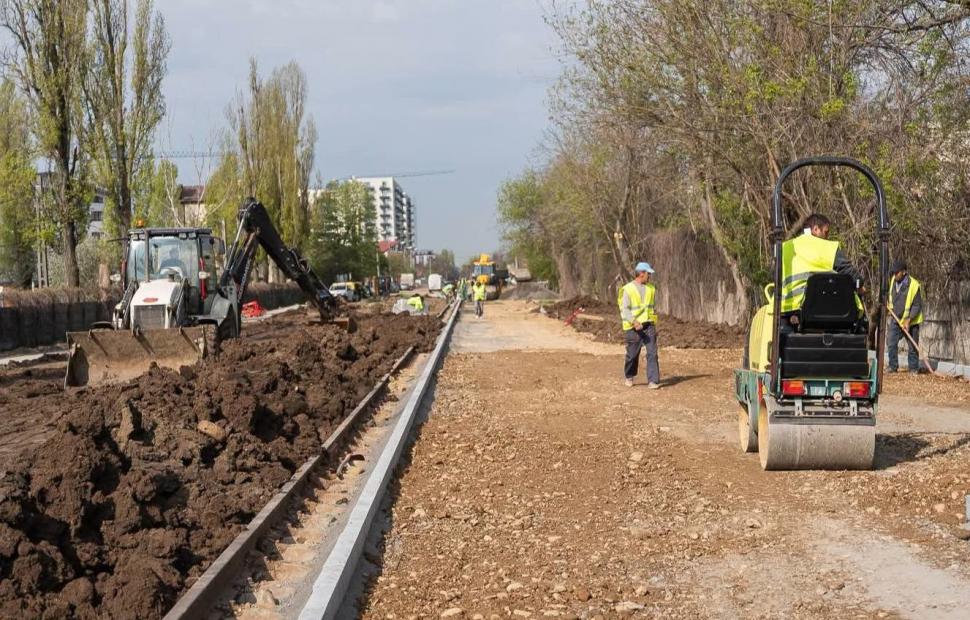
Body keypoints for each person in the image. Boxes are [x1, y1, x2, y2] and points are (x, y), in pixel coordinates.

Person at [780, 212, 864, 331]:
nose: (827, 237)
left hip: (787, 311)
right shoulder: (827, 248)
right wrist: (860, 284)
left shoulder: (784, 248)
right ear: (815, 229)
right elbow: (851, 274)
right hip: (822, 312)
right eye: (825, 232)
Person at [618, 262, 660, 389]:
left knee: (652, 352)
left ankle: (653, 381)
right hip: (633, 327)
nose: (649, 276)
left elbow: (651, 307)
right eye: (648, 274)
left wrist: (651, 321)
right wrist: (634, 321)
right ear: (641, 273)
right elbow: (624, 309)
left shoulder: (651, 288)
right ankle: (629, 375)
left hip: (648, 326)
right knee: (632, 354)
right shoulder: (627, 289)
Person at [886, 259, 924, 374]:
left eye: (897, 272)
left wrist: (908, 320)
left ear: (903, 272)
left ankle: (913, 369)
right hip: (896, 319)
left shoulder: (914, 285)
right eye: (894, 272)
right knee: (891, 342)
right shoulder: (893, 280)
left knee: (912, 346)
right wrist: (890, 309)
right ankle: (893, 367)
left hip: (911, 321)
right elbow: (891, 297)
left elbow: (917, 305)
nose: (895, 275)